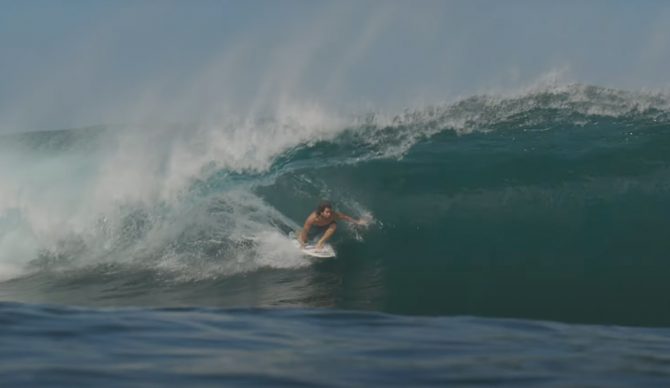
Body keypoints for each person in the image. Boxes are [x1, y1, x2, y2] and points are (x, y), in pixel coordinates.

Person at [299, 201, 366, 249]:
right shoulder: (312, 218)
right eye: (327, 212)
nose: (329, 214)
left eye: (330, 211)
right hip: (315, 227)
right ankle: (299, 236)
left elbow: (345, 217)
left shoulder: (333, 215)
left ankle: (320, 242)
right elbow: (305, 230)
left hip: (326, 226)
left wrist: (357, 222)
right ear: (321, 212)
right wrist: (303, 241)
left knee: (334, 225)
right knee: (304, 236)